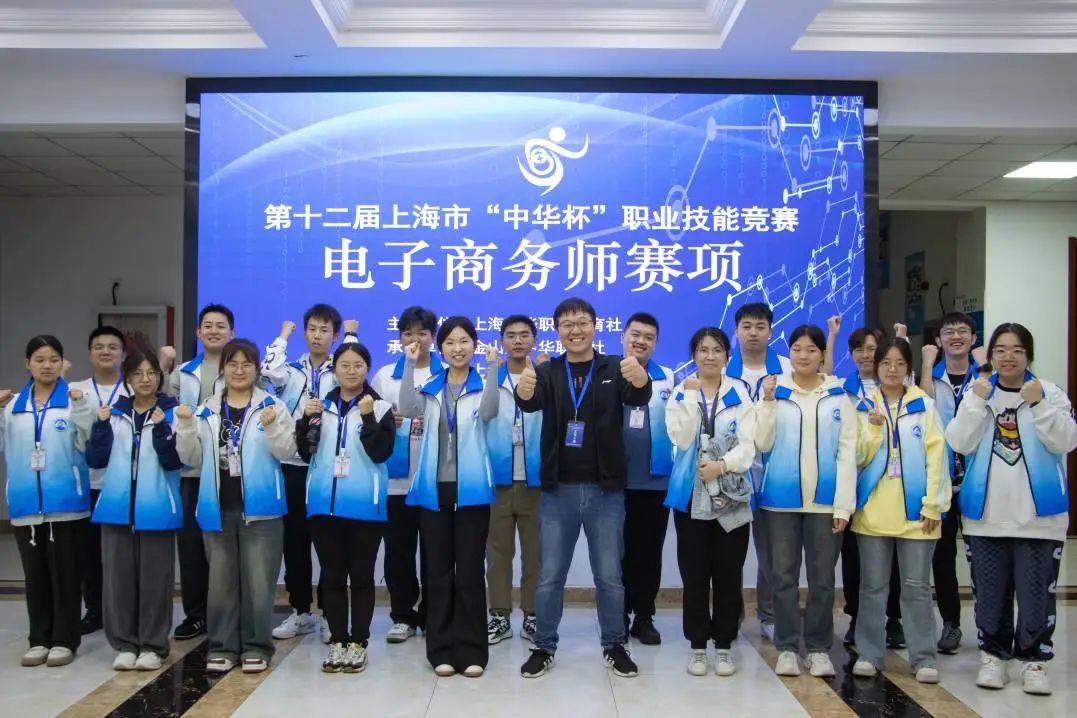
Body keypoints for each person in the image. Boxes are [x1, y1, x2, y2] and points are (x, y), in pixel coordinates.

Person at [515, 297, 652, 680]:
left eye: (582, 323)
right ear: (558, 330)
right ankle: (544, 646)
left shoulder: (614, 366)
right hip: (557, 490)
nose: (575, 330)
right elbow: (531, 403)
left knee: (609, 576)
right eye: (567, 324)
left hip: (605, 491)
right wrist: (524, 390)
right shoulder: (548, 370)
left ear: (595, 326)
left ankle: (615, 645)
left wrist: (642, 380)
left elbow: (637, 397)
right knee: (550, 576)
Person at [945, 323, 1077, 696]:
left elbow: (1067, 440)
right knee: (989, 595)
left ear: (1028, 356)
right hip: (985, 518)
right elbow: (958, 441)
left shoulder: (1049, 392)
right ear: (991, 355)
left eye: (1017, 350)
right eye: (1001, 349)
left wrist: (1039, 405)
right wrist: (975, 401)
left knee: (1036, 594)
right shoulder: (979, 392)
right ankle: (994, 658)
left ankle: (1035, 662)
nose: (1008, 357)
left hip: (1039, 519)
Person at [176, 339, 297, 674]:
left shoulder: (272, 405)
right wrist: (184, 427)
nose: (239, 370)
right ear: (223, 369)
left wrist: (272, 426)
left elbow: (288, 451)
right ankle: (223, 646)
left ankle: (257, 646)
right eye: (233, 364)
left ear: (257, 369)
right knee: (220, 585)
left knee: (259, 584)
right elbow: (191, 458)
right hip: (217, 507)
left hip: (262, 509)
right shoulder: (206, 410)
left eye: (246, 364)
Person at [397, 317, 499, 677]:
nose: (458, 348)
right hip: (433, 489)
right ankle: (440, 649)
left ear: (474, 345)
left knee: (469, 571)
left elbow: (490, 411)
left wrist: (492, 369)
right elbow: (406, 408)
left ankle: (472, 651)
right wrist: (409, 363)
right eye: (451, 342)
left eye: (464, 341)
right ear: (441, 349)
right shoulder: (430, 388)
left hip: (472, 490)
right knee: (437, 573)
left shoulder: (481, 384)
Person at [754, 324, 856, 678]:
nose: (803, 355)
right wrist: (768, 402)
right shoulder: (775, 390)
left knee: (823, 580)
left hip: (825, 503)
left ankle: (817, 648)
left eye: (811, 349)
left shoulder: (838, 396)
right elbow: (762, 442)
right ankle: (786, 647)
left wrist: (843, 505)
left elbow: (847, 453)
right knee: (782, 576)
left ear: (822, 355)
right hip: (779, 501)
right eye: (797, 348)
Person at [850, 338, 950, 684]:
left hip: (918, 513)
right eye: (885, 363)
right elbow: (857, 457)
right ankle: (868, 653)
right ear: (875, 367)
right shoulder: (863, 406)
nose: (892, 370)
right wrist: (874, 430)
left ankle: (923, 658)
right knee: (872, 587)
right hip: (873, 513)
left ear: (909, 368)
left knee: (916, 587)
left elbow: (938, 457)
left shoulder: (924, 406)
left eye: (899, 363)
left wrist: (933, 504)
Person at [261, 305, 359, 644]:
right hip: (293, 464)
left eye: (325, 330)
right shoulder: (290, 370)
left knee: (330, 545)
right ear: (304, 332)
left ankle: (331, 613)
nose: (318, 336)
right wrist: (282, 336)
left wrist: (352, 336)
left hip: (328, 467)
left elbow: (355, 370)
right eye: (312, 329)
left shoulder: (341, 368)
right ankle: (301, 610)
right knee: (295, 543)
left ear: (335, 335)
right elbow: (268, 369)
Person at [296, 342, 395, 674]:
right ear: (335, 369)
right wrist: (305, 421)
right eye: (345, 365)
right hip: (323, 507)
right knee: (333, 577)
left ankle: (359, 642)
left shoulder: (380, 408)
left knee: (362, 578)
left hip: (365, 508)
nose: (351, 371)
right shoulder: (319, 407)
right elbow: (306, 452)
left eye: (358, 365)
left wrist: (367, 417)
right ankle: (338, 641)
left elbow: (381, 452)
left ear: (367, 369)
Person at [664, 327, 756, 677]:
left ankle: (725, 645)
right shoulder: (680, 392)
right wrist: (690, 397)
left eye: (717, 350)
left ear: (727, 356)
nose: (710, 356)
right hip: (691, 495)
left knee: (729, 573)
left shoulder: (739, 393)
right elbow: (682, 437)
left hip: (730, 493)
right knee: (695, 574)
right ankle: (699, 646)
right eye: (703, 350)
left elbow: (749, 444)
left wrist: (723, 465)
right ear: (694, 355)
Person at [84, 346, 182, 672]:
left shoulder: (172, 413)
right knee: (117, 581)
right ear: (127, 379)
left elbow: (176, 461)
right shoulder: (113, 414)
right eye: (137, 374)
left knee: (156, 581)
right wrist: (100, 428)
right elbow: (95, 460)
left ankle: (153, 645)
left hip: (157, 508)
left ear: (159, 377)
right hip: (116, 507)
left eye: (151, 373)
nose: (145, 379)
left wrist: (162, 430)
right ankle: (125, 643)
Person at [0, 336, 93, 668]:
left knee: (66, 576)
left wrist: (82, 409)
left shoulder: (73, 401)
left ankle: (64, 640)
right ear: (28, 364)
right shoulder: (12, 406)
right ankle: (38, 639)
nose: (47, 365)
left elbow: (88, 443)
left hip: (66, 503)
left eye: (54, 359)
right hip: (26, 505)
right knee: (35, 577)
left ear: (62, 362)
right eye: (39, 359)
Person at [829, 320, 906, 649]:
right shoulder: (843, 388)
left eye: (872, 349)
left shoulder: (897, 388)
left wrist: (902, 340)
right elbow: (825, 373)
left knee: (893, 557)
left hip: (891, 483)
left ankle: (893, 620)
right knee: (854, 557)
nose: (865, 355)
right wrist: (831, 336)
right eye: (858, 349)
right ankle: (857, 617)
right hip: (856, 483)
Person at [160, 303, 234, 641]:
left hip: (227, 471)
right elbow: (164, 405)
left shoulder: (240, 369)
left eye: (221, 325)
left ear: (232, 333)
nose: (214, 331)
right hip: (191, 471)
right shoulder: (183, 373)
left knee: (224, 546)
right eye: (208, 325)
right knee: (190, 547)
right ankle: (196, 614)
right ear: (198, 332)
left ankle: (228, 613)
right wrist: (163, 368)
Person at [370, 305, 442, 644]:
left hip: (434, 478)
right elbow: (368, 421)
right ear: (399, 337)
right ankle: (402, 615)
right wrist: (387, 419)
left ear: (433, 337)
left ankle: (432, 613)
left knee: (434, 551)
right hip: (395, 480)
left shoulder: (446, 373)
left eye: (422, 333)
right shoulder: (385, 376)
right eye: (408, 333)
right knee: (398, 551)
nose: (415, 339)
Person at [919, 311, 986, 654]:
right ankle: (951, 624)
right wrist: (926, 365)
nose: (956, 336)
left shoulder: (984, 376)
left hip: (979, 480)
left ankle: (989, 625)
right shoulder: (932, 376)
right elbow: (923, 409)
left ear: (974, 338)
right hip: (942, 480)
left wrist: (986, 367)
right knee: (942, 558)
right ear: (938, 340)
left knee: (984, 557)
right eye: (949, 332)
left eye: (963, 331)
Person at [725, 302, 791, 643]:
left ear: (770, 331)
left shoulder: (788, 369)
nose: (753, 332)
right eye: (746, 326)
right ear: (736, 331)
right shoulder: (723, 369)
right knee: (730, 554)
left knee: (773, 554)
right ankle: (730, 615)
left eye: (760, 326)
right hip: (733, 475)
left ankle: (770, 614)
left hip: (776, 473)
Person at [486, 315, 545, 645]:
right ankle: (499, 616)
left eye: (524, 335)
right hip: (499, 479)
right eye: (511, 335)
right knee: (497, 555)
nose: (518, 341)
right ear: (502, 341)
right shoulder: (489, 378)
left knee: (535, 556)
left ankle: (533, 616)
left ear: (534, 340)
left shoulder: (545, 376)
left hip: (536, 481)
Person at [68, 325, 129, 636]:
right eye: (99, 347)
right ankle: (95, 610)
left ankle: (123, 610)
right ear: (90, 354)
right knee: (89, 554)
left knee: (122, 555)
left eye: (112, 347)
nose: (106, 352)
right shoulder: (75, 390)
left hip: (123, 485)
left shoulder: (133, 388)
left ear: (124, 354)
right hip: (88, 484)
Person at [620, 312, 675, 645]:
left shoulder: (667, 378)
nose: (641, 341)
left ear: (655, 343)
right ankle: (618, 614)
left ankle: (644, 616)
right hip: (616, 482)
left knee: (649, 553)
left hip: (656, 481)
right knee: (617, 552)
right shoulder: (608, 374)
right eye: (635, 334)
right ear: (623, 337)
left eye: (648, 337)